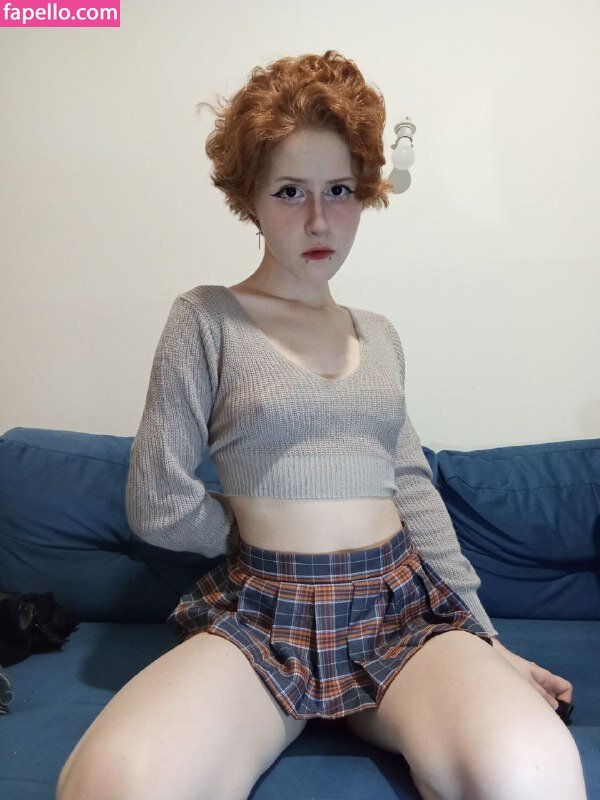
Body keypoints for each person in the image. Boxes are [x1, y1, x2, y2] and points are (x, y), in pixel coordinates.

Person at [56, 50, 586, 800]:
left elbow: (413, 489)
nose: (318, 219)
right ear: (249, 198)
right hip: (263, 614)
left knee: (532, 772)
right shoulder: (206, 319)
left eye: (339, 190)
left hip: (401, 611)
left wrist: (486, 640)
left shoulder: (381, 335)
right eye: (290, 192)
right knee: (116, 784)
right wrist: (258, 536)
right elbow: (157, 502)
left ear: (364, 192)